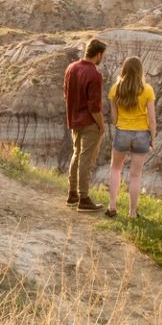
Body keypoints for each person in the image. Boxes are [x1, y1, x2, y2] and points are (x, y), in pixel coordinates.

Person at [106, 56, 156, 220]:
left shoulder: (116, 88)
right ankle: (132, 213)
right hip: (142, 133)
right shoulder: (147, 89)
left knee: (115, 168)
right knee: (135, 175)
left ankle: (112, 206)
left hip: (122, 131)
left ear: (124, 69)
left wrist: (119, 127)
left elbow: (114, 115)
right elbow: (152, 118)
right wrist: (152, 138)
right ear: (140, 71)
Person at [62, 38, 107, 211]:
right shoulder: (94, 75)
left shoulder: (71, 68)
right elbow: (94, 107)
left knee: (76, 154)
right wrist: (101, 125)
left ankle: (72, 194)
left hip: (74, 120)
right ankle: (84, 198)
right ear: (98, 54)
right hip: (89, 122)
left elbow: (66, 94)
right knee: (86, 160)